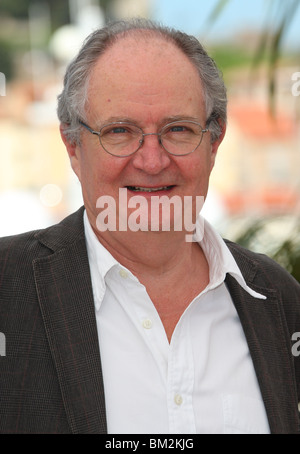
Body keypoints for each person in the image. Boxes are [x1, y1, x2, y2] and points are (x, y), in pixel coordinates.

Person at [0, 18, 299, 435]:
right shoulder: (5, 287)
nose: (152, 161)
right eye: (120, 132)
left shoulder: (278, 298)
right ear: (73, 146)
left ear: (214, 143)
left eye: (178, 129)